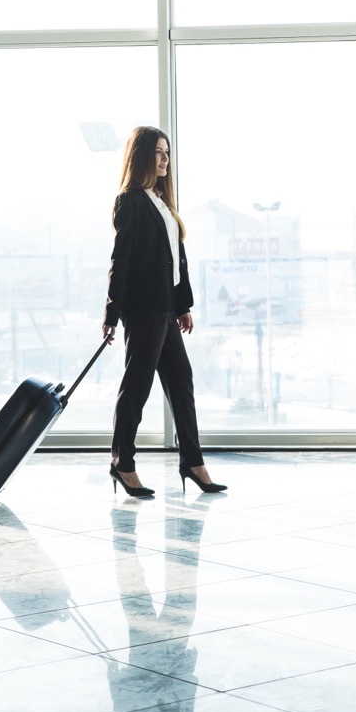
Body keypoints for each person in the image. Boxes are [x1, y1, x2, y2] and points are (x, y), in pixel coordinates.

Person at [102, 126, 226, 498]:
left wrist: (183, 305)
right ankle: (122, 463)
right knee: (136, 388)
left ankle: (192, 461)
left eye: (167, 153)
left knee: (181, 382)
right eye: (157, 152)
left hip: (166, 309)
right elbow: (119, 262)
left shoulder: (161, 201)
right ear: (140, 155)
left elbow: (176, 261)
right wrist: (111, 315)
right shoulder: (130, 200)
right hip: (143, 310)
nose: (164, 160)